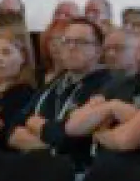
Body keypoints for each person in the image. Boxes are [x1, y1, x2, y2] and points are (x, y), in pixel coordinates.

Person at [65, 11, 140, 168]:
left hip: (138, 179)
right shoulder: (120, 82)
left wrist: (97, 131)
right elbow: (73, 126)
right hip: (101, 173)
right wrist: (113, 107)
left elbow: (126, 140)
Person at [10, 17, 112, 169]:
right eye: (67, 41)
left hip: (74, 174)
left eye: (81, 42)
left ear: (98, 50)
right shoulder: (56, 82)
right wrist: (49, 149)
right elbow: (15, 125)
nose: (71, 47)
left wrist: (35, 124)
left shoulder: (106, 85)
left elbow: (69, 139)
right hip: (37, 167)